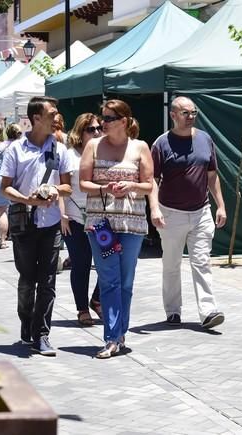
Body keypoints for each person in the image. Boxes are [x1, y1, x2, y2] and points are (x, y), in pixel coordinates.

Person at [79, 99, 153, 359]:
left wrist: (131, 186)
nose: (102, 123)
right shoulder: (93, 146)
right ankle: (111, 337)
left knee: (126, 281)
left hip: (131, 223)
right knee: (109, 279)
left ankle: (121, 333)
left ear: (124, 121)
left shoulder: (140, 147)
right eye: (102, 119)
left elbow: (148, 185)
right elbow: (83, 183)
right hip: (102, 225)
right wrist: (103, 188)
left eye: (108, 119)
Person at [0, 96, 72, 357]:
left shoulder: (59, 149)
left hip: (51, 223)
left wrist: (53, 190)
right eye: (52, 113)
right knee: (27, 279)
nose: (56, 117)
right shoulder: (16, 150)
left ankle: (42, 334)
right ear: (36, 118)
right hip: (24, 223)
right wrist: (27, 199)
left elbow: (67, 186)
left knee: (48, 280)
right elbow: (4, 187)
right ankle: (26, 322)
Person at [149, 96, 227, 329]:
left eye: (194, 113)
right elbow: (151, 179)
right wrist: (154, 209)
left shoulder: (205, 139)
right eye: (185, 113)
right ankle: (173, 311)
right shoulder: (161, 144)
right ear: (173, 115)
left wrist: (221, 205)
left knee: (202, 262)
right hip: (171, 213)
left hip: (201, 211)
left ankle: (208, 311)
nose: (191, 117)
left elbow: (212, 175)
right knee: (171, 264)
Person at [60, 113, 103, 326]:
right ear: (80, 132)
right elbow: (61, 185)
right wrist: (63, 215)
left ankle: (97, 300)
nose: (96, 132)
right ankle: (82, 309)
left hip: (101, 218)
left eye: (98, 128)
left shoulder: (102, 152)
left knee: (109, 261)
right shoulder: (69, 155)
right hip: (75, 217)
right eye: (91, 129)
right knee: (81, 264)